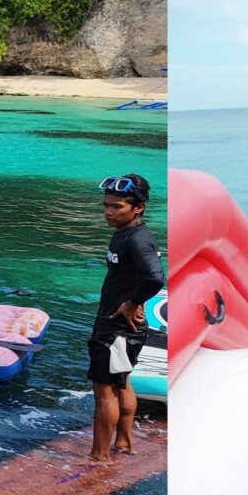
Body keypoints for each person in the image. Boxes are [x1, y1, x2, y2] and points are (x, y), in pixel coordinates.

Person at [89, 172, 162, 461]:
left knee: (103, 390)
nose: (108, 212)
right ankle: (123, 443)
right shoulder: (126, 233)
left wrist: (132, 303)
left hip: (117, 326)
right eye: (106, 205)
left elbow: (156, 277)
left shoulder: (138, 239)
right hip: (119, 324)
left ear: (138, 207)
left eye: (117, 206)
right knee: (122, 381)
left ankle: (99, 456)